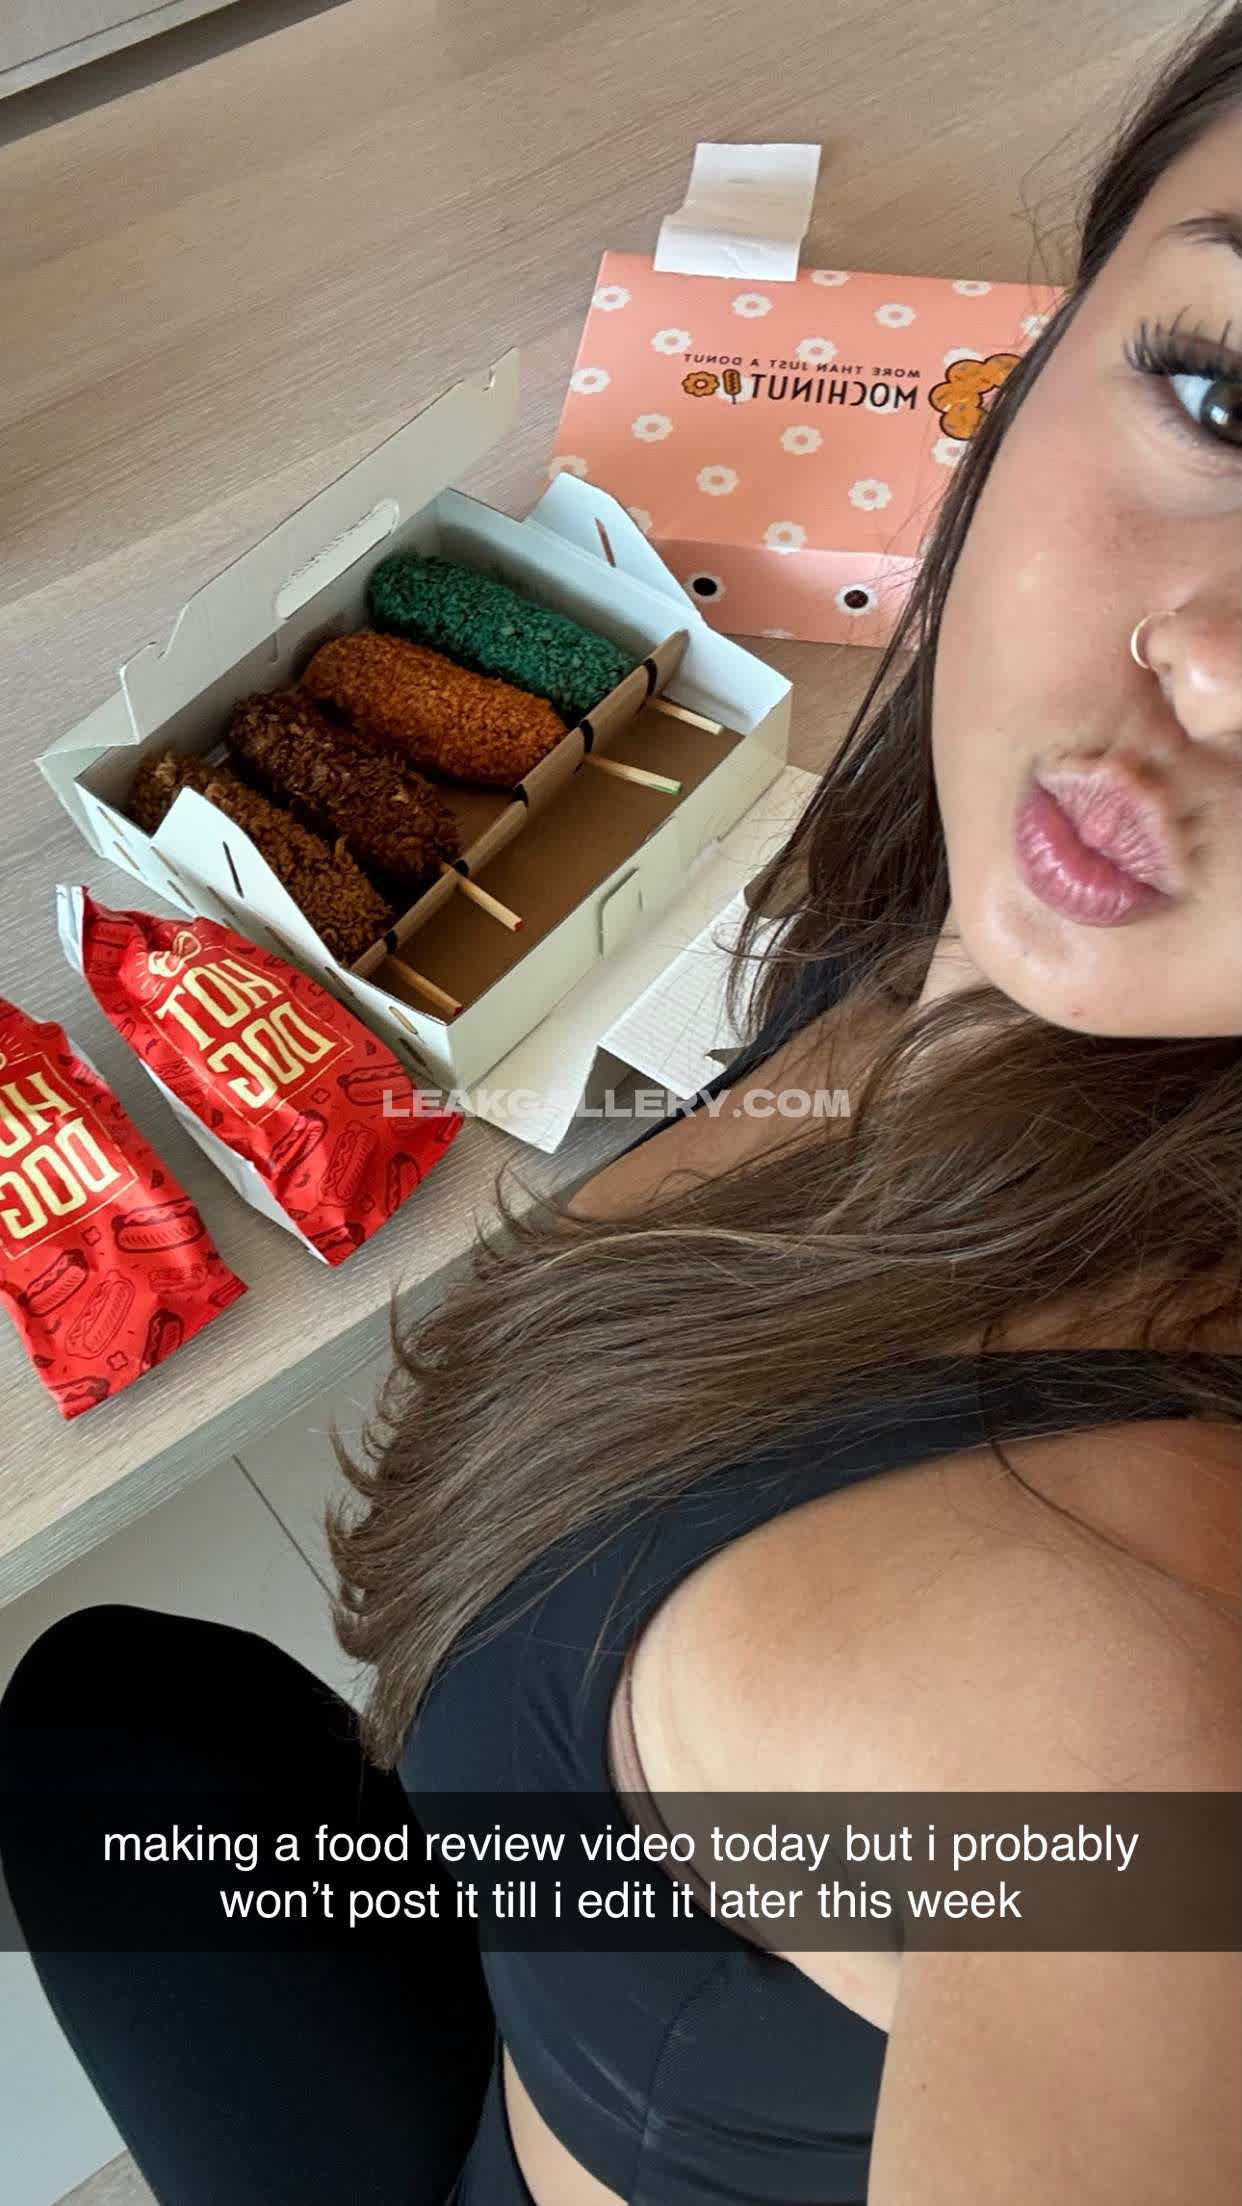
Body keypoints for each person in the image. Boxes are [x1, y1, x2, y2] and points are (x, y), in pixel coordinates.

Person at [2, 4, 1240, 2200]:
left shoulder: (1108, 1714)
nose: (1214, 658)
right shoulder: (1013, 897)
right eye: (1225, 392)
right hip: (532, 1924)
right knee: (102, 1723)